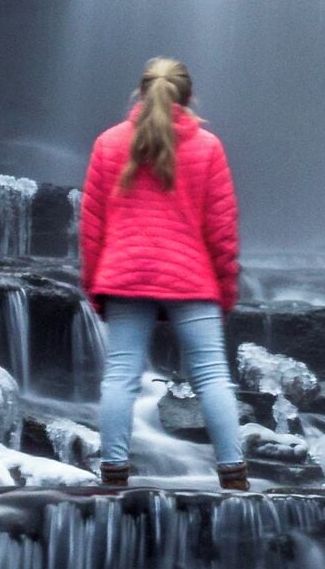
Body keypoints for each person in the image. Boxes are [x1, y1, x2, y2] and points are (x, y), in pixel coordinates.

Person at [79, 57, 248, 492]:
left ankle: (114, 474)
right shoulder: (208, 147)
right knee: (212, 376)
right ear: (188, 97)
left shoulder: (108, 144)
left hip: (124, 277)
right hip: (191, 280)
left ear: (140, 93)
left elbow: (92, 228)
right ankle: (233, 475)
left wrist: (96, 287)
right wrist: (224, 291)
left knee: (120, 376)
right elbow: (222, 233)